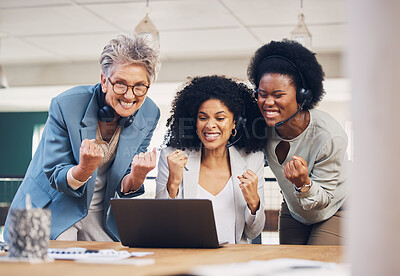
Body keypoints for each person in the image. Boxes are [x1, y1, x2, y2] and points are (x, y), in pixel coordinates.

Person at [4, 34, 161, 242]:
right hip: (53, 206)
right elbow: (55, 174)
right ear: (104, 81)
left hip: (99, 212)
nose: (130, 96)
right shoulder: (66, 105)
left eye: (139, 86)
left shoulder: (149, 113)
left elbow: (124, 178)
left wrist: (138, 176)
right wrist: (84, 168)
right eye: (120, 84)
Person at [247, 39, 348, 245]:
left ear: (303, 95)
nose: (268, 102)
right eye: (262, 94)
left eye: (278, 95)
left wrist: (303, 183)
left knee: (314, 266)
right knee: (289, 263)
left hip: (335, 208)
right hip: (295, 209)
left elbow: (326, 197)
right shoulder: (260, 127)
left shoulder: (328, 135)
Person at [156, 75, 267, 244]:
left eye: (220, 118)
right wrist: (173, 184)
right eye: (203, 117)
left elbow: (253, 233)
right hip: (186, 258)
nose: (210, 125)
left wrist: (254, 201)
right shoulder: (171, 157)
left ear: (235, 123)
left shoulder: (253, 160)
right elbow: (162, 226)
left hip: (233, 263)